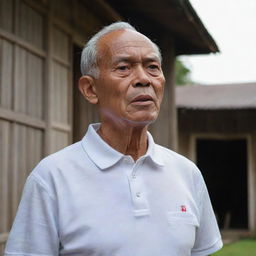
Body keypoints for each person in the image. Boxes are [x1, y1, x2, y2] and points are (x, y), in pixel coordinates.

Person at [4, 22, 223, 256]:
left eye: (152, 67)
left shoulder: (187, 173)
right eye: (123, 68)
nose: (143, 79)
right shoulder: (52, 177)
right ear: (90, 89)